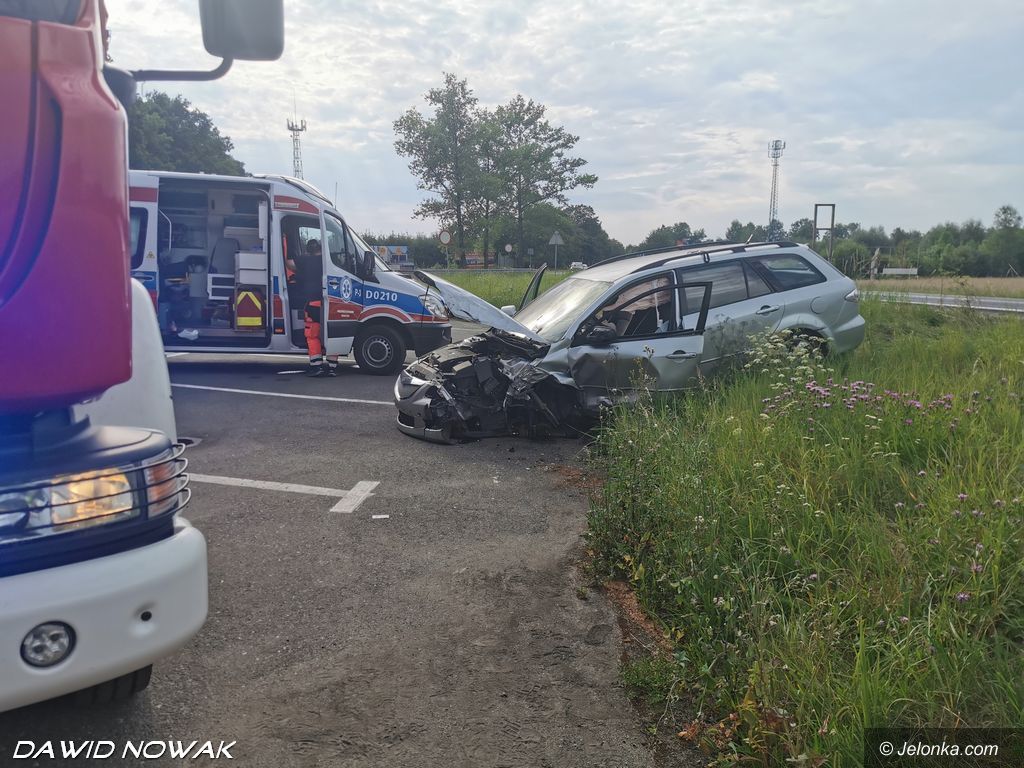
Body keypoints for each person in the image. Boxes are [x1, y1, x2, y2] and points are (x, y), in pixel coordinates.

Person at [293, 238, 339, 377]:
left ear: (308, 251)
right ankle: (332, 367)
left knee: (312, 335)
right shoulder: (330, 262)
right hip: (331, 303)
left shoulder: (304, 261)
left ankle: (316, 366)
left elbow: (290, 264)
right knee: (333, 333)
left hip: (313, 304)